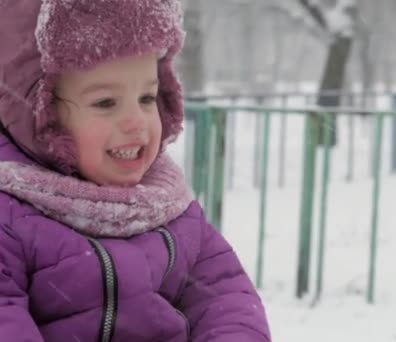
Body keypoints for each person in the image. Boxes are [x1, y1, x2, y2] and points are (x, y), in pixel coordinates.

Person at [0, 0, 271, 341]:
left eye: (147, 98)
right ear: (41, 115)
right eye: (105, 103)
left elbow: (226, 297)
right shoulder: (10, 216)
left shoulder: (170, 208)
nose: (136, 122)